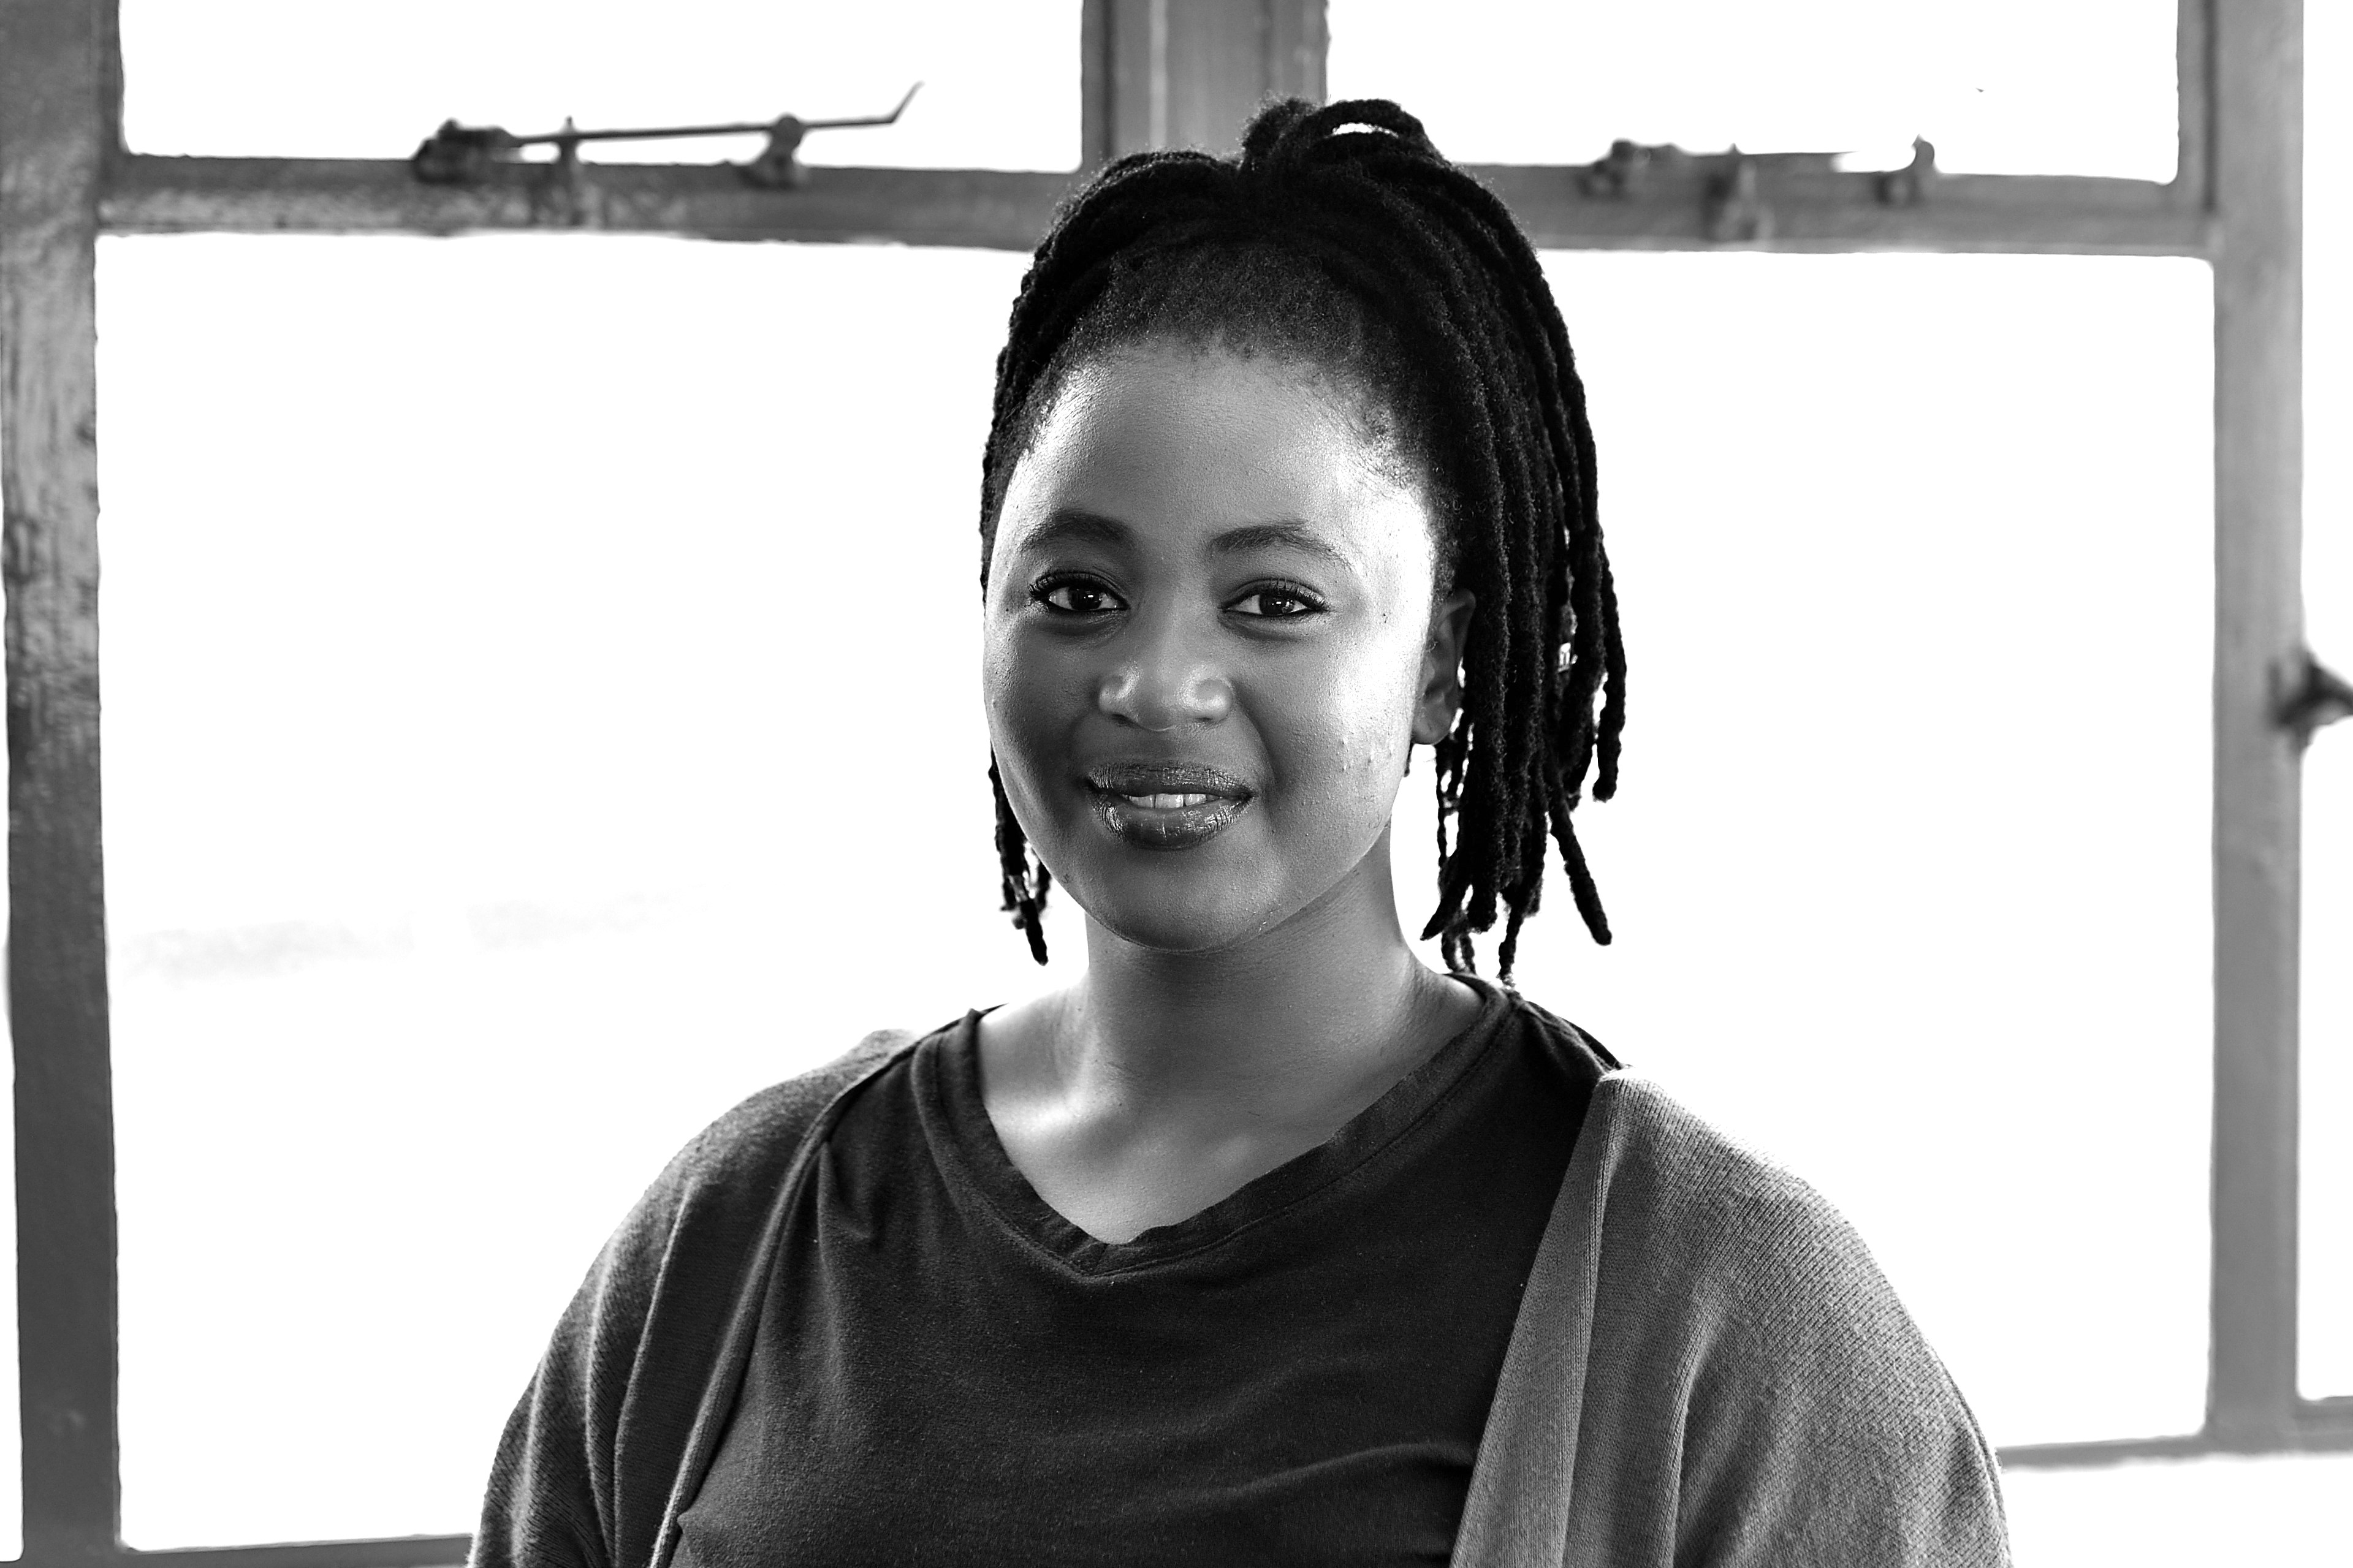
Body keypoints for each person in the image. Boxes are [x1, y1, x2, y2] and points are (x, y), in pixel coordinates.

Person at [471, 98, 2010, 1567]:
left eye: (1273, 599)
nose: (1154, 681)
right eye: (1077, 591)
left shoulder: (1737, 1309)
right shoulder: (742, 1228)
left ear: (1445, 660)